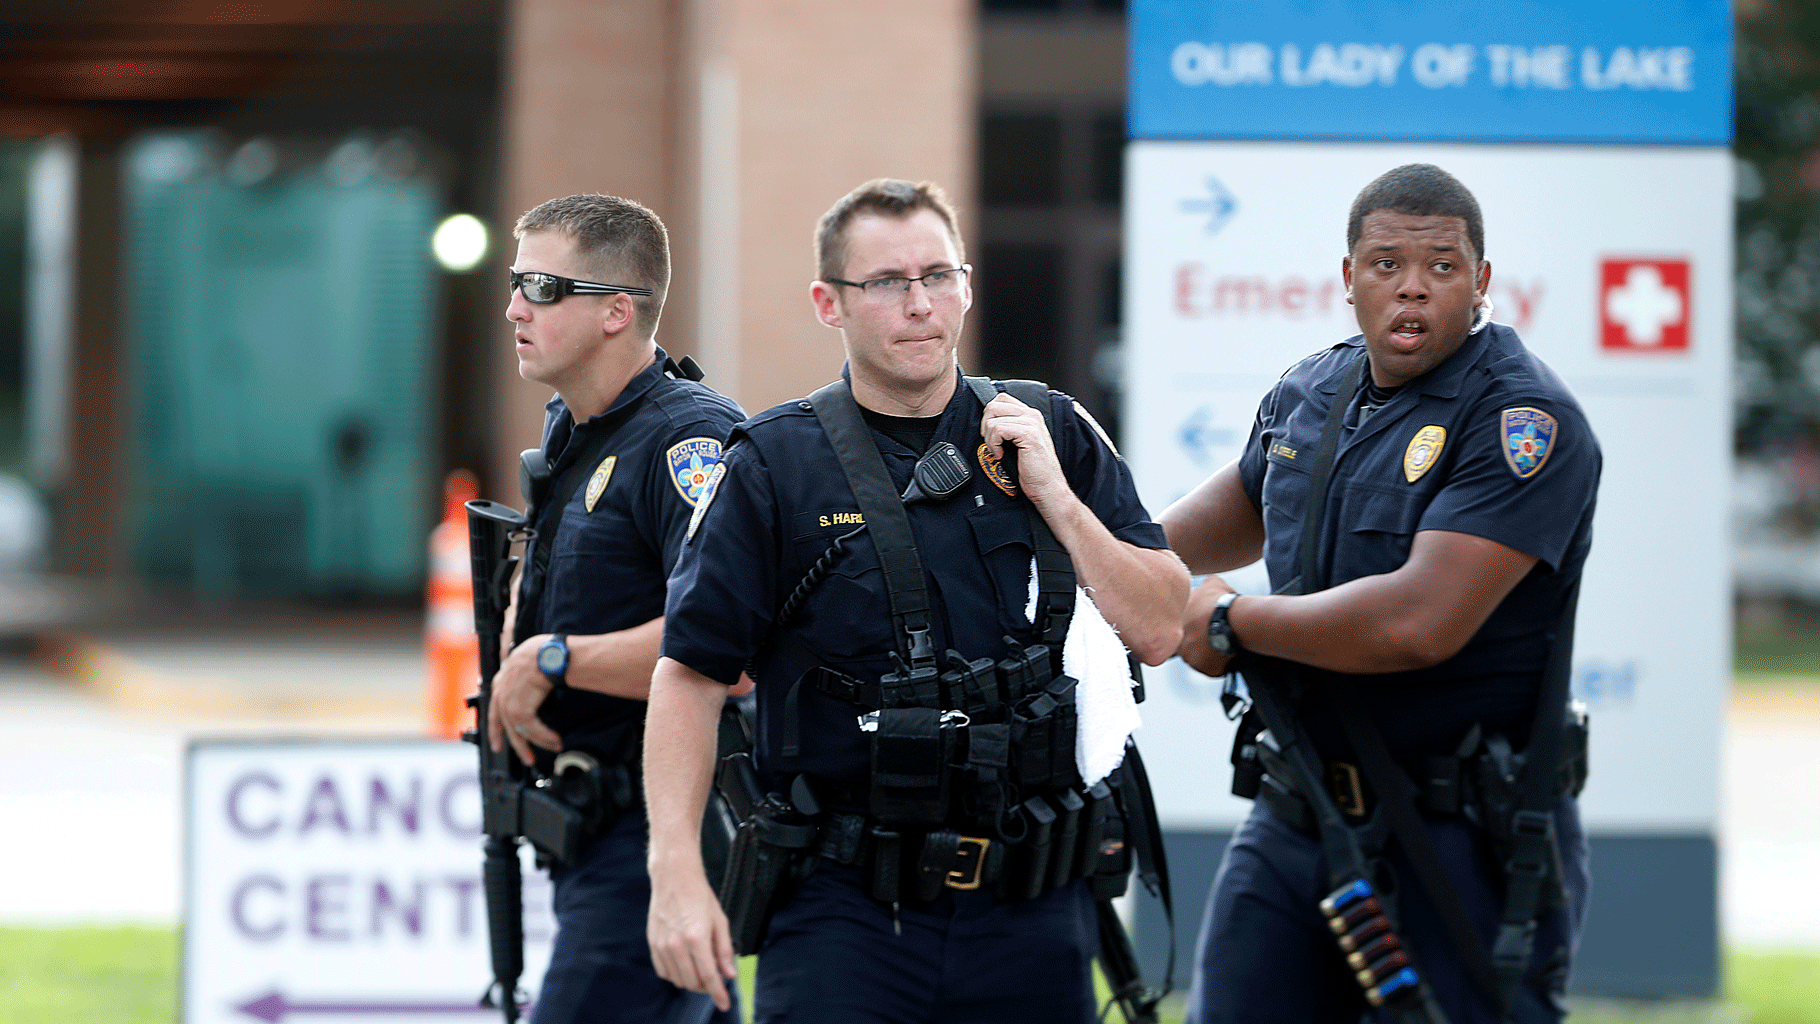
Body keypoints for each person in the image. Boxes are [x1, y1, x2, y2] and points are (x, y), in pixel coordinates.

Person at [640, 178, 1189, 1023]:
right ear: (830, 303)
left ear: (967, 286)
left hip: (1030, 905)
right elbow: (690, 675)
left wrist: (1058, 499)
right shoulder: (773, 465)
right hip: (843, 913)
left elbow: (1159, 626)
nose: (920, 304)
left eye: (939, 275)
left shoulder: (1052, 431)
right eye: (887, 283)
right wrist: (675, 869)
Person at [1162, 164, 1601, 1024]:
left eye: (1441, 267)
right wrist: (1083, 548)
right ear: (1348, 278)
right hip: (1298, 815)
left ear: (1480, 283)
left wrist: (1228, 621)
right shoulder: (1311, 390)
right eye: (1386, 263)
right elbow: (1217, 523)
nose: (1412, 288)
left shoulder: (1523, 420)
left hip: (1459, 835)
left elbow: (1415, 623)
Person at [489, 193, 745, 1024]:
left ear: (615, 313)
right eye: (516, 282)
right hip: (590, 831)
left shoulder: (690, 443)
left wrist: (549, 658)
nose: (514, 306)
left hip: (655, 836)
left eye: (541, 286)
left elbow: (734, 648)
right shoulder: (576, 425)